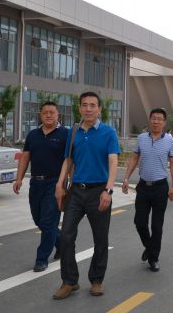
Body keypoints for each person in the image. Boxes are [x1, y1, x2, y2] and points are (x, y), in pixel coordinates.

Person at [53, 91, 120, 300]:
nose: (88, 109)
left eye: (92, 105)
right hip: (76, 191)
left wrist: (108, 190)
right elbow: (68, 160)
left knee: (100, 238)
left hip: (99, 192)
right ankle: (69, 281)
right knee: (66, 236)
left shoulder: (108, 132)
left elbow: (113, 162)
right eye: (84, 105)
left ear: (99, 109)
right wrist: (59, 184)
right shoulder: (74, 132)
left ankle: (97, 280)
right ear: (79, 108)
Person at [13, 101, 68, 272]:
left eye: (52, 112)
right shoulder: (33, 135)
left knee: (48, 222)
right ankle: (61, 243)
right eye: (45, 112)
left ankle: (41, 258)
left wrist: (67, 183)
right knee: (39, 220)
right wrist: (19, 179)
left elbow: (70, 160)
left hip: (55, 183)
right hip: (36, 183)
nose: (49, 115)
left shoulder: (65, 134)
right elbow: (25, 157)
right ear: (40, 115)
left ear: (58, 114)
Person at [122, 107, 173, 272]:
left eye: (159, 119)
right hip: (143, 187)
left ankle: (153, 258)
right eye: (153, 118)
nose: (156, 121)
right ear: (149, 120)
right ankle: (150, 246)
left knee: (157, 226)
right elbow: (134, 158)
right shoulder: (141, 138)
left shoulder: (169, 140)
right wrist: (126, 178)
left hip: (160, 188)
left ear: (164, 122)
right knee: (139, 222)